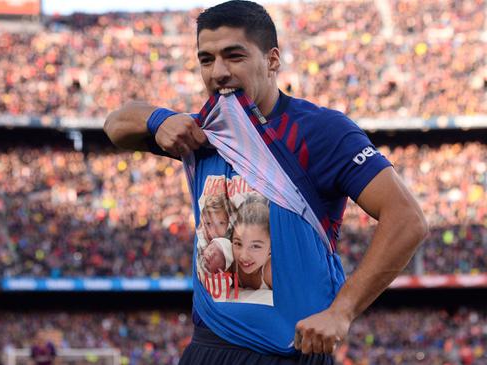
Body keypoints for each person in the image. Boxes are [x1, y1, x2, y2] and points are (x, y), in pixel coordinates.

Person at [104, 1, 427, 363]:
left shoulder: (320, 131)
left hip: (289, 353)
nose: (218, 72)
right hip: (209, 349)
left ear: (272, 60)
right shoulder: (203, 132)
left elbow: (407, 217)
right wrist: (157, 119)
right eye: (206, 60)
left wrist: (342, 312)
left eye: (234, 56)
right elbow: (115, 125)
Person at [232, 195, 272, 290]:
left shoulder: (270, 272)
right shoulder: (230, 262)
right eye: (238, 244)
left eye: (255, 246)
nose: (243, 256)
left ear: (271, 248)